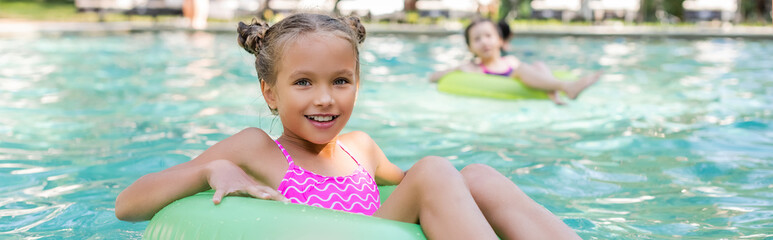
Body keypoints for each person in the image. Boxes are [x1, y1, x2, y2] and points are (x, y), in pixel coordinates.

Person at [115, 13, 580, 239]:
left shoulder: (361, 148)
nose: (324, 98)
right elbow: (127, 206)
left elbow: (434, 193)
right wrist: (207, 171)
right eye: (303, 83)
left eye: (341, 81)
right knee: (437, 168)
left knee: (475, 174)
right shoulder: (254, 149)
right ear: (270, 94)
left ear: (357, 83)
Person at [429, 18, 602, 105]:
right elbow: (433, 77)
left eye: (489, 36)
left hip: (521, 81)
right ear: (470, 47)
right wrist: (456, 69)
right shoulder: (472, 68)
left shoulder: (510, 60)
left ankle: (554, 92)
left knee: (538, 65)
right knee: (521, 69)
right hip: (502, 90)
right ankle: (566, 88)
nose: (484, 42)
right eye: (477, 39)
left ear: (499, 40)